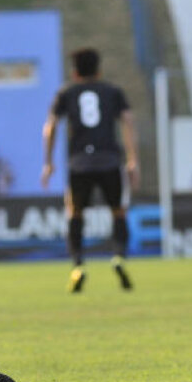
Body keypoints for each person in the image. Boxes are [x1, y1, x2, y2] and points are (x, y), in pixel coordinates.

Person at [41, 47, 139, 293]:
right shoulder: (113, 92)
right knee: (118, 211)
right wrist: (132, 159)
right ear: (99, 70)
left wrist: (48, 161)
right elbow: (128, 120)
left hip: (79, 163)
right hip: (109, 161)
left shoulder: (66, 92)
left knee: (75, 213)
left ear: (74, 73)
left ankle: (77, 265)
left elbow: (51, 126)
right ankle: (118, 257)